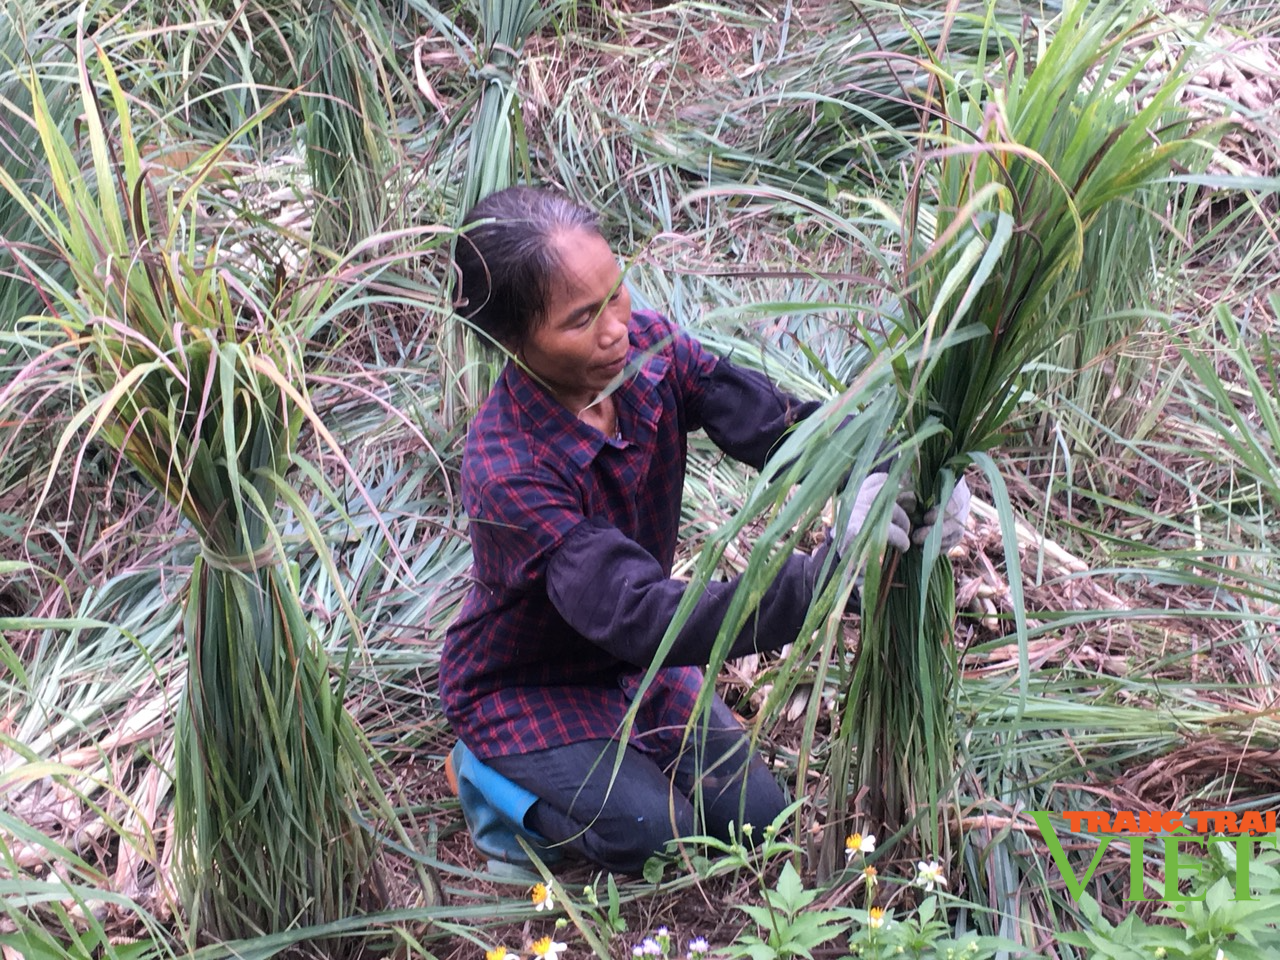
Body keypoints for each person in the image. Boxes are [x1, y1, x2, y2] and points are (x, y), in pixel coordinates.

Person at [440, 185, 970, 874]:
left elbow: (762, 419)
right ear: (512, 340)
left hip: (638, 666)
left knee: (758, 820)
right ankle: (485, 779)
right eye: (580, 319)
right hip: (529, 684)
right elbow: (633, 611)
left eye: (617, 294)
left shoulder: (646, 352)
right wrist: (820, 582)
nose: (615, 329)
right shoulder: (508, 467)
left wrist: (894, 463)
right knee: (661, 834)